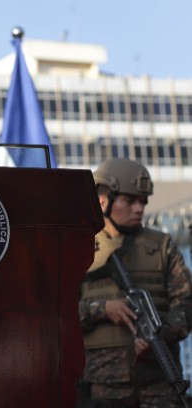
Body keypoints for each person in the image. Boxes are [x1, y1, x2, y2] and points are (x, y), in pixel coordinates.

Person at [78, 158, 192, 407]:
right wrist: (103, 309)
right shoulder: (79, 247)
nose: (138, 209)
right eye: (129, 201)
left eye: (142, 202)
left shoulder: (162, 246)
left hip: (159, 379)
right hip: (104, 383)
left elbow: (185, 306)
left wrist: (161, 334)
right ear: (103, 201)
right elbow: (57, 313)